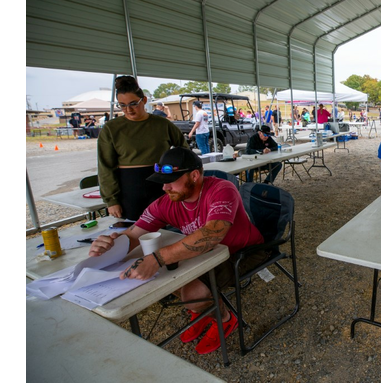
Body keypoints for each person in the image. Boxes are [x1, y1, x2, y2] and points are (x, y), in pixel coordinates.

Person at [88, 147, 266, 355]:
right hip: (206, 254)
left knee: (191, 293)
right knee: (165, 279)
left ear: (194, 175)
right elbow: (134, 234)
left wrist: (157, 258)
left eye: (171, 181)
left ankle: (225, 319)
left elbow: (212, 233)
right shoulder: (166, 202)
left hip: (244, 251)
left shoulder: (222, 189)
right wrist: (112, 244)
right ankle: (203, 309)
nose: (165, 187)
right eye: (163, 181)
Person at [98, 75, 188, 220]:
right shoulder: (111, 129)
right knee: (134, 229)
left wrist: (181, 178)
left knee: (168, 227)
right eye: (122, 105)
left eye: (133, 103)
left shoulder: (162, 124)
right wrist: (111, 200)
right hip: (129, 188)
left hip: (162, 184)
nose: (129, 109)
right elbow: (105, 167)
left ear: (144, 100)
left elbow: (185, 152)